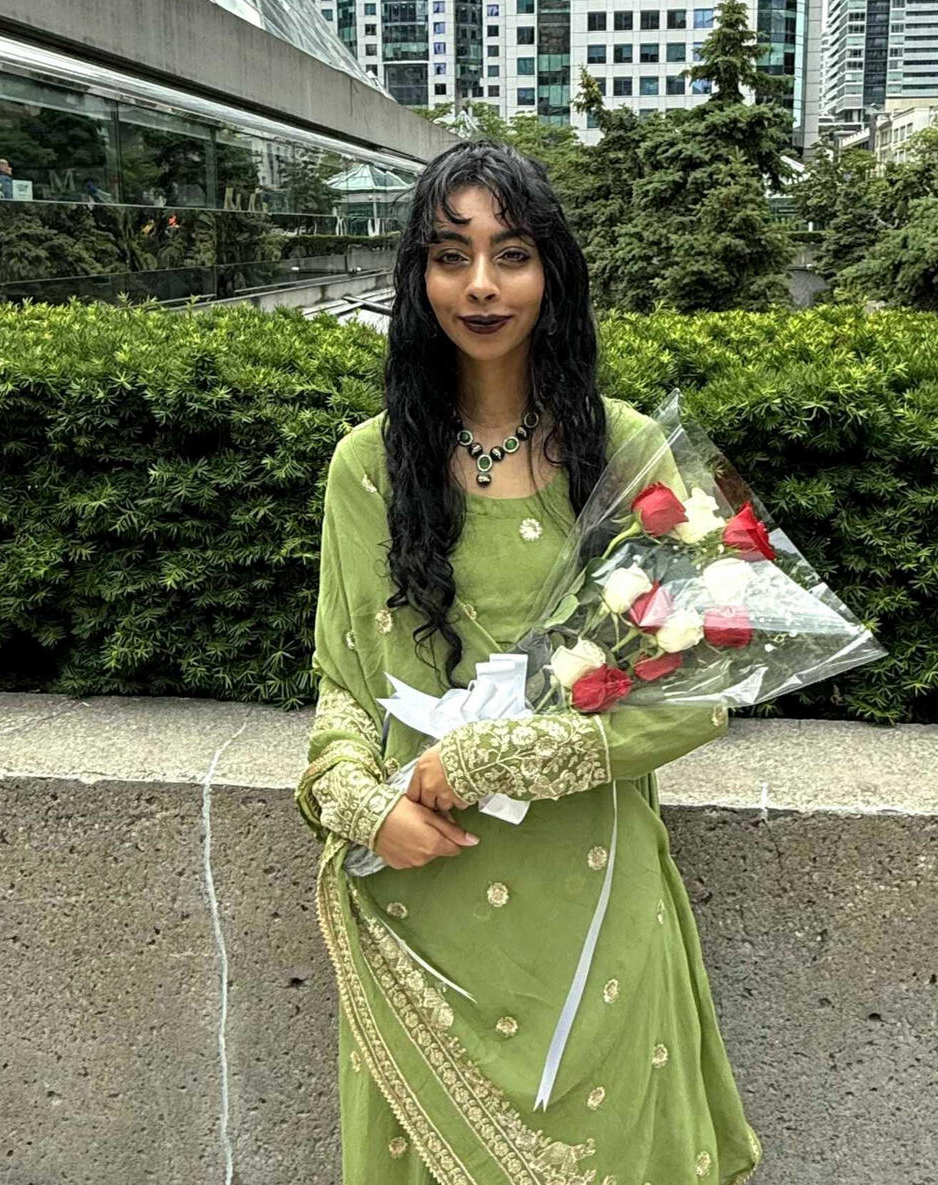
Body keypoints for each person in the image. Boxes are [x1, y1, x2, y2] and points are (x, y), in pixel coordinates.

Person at [296, 139, 764, 1185]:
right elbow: (342, 683)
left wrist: (495, 757)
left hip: (589, 894)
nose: (480, 284)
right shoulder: (367, 466)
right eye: (449, 255)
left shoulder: (629, 455)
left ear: (552, 272)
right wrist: (356, 804)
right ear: (416, 278)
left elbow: (696, 694)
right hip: (422, 890)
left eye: (510, 254)